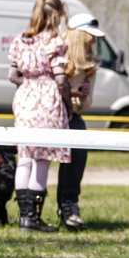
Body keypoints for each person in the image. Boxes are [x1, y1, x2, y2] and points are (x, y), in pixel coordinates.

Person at [8, 0, 70, 232]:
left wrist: (29, 83)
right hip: (47, 101)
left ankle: (24, 217)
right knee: (42, 159)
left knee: (24, 157)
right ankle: (33, 217)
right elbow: (61, 79)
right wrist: (68, 104)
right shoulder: (53, 41)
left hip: (24, 100)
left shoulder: (20, 40)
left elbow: (13, 75)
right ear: (56, 15)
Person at [56, 13, 105, 231]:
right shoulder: (55, 55)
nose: (93, 41)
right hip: (48, 115)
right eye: (89, 35)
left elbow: (86, 105)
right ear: (78, 35)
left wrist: (82, 97)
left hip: (71, 115)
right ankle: (31, 210)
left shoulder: (90, 67)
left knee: (78, 149)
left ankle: (69, 206)